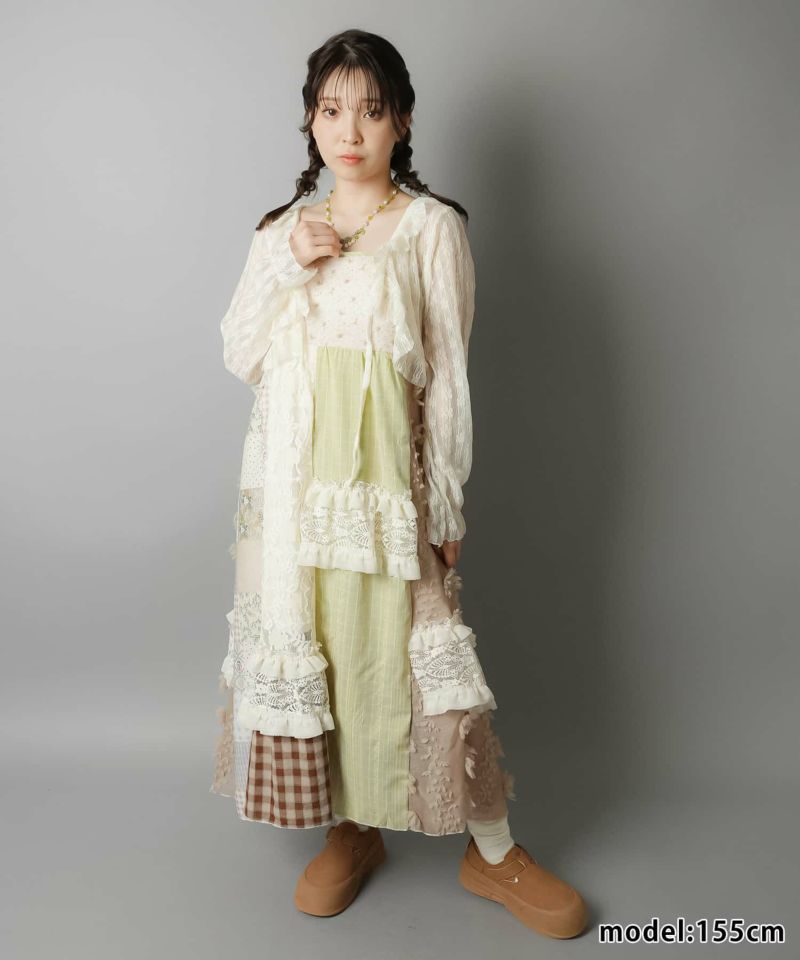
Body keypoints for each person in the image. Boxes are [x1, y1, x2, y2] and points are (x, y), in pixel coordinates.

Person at [210, 28, 588, 939]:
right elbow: (239, 352)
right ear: (310, 120)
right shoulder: (281, 232)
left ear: (402, 122)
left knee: (428, 657)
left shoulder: (430, 229)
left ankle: (491, 849)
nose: (350, 132)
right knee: (331, 653)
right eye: (332, 110)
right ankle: (351, 827)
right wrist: (287, 264)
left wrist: (446, 496)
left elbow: (449, 376)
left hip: (390, 487)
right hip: (294, 491)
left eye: (371, 112)